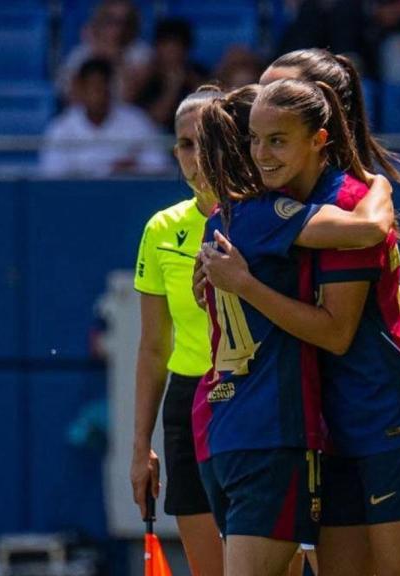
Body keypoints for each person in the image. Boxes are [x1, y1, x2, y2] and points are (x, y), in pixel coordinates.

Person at [199, 78, 400, 576]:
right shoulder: (271, 211)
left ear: (320, 136)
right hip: (306, 427)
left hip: (377, 416)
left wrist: (243, 284)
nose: (262, 152)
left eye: (277, 138)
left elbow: (337, 331)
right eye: (255, 138)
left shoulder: (339, 202)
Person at [129, 87, 226, 576]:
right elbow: (151, 347)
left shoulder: (265, 215)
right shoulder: (161, 229)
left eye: (207, 140)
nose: (196, 156)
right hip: (189, 404)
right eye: (185, 144)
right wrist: (139, 445)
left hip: (253, 396)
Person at [261, 48, 400, 188]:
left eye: (279, 98)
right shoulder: (249, 186)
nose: (258, 107)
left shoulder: (356, 205)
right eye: (259, 95)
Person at [40, 58, 169, 177]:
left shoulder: (136, 120)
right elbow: (52, 174)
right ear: (81, 90)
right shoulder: (62, 127)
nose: (98, 94)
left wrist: (132, 168)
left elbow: (159, 164)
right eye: (93, 87)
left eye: (103, 86)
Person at [58, 0, 152, 102]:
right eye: (112, 21)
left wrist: (111, 55)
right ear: (100, 22)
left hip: (126, 114)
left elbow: (129, 97)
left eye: (126, 21)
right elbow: (71, 96)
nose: (119, 28)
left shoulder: (142, 52)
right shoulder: (82, 53)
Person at [128, 18, 207, 133]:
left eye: (177, 46)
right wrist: (172, 88)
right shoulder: (147, 79)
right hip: (155, 142)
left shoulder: (197, 73)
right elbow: (151, 122)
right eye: (166, 45)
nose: (171, 52)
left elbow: (212, 111)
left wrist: (191, 82)